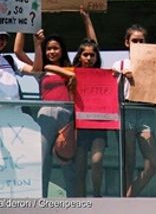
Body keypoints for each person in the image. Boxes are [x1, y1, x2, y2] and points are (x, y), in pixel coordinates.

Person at [112, 25, 156, 197]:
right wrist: (121, 76)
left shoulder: (154, 64)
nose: (138, 43)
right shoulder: (119, 64)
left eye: (141, 41)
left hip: (146, 112)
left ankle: (128, 197)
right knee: (129, 162)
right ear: (127, 43)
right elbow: (111, 92)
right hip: (126, 111)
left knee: (154, 162)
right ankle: (126, 203)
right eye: (135, 41)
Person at [30, 29, 77, 197]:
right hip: (46, 115)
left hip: (66, 114)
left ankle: (73, 200)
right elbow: (33, 68)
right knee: (42, 160)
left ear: (62, 50)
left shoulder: (71, 70)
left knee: (67, 159)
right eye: (48, 48)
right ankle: (40, 199)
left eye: (55, 48)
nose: (51, 52)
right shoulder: (42, 71)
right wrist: (37, 44)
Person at [71, 38, 108, 197]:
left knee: (96, 161)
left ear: (96, 57)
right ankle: (81, 202)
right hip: (78, 124)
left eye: (92, 55)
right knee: (79, 168)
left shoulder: (103, 74)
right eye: (85, 54)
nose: (88, 58)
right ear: (79, 56)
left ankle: (97, 196)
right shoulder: (72, 73)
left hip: (98, 124)